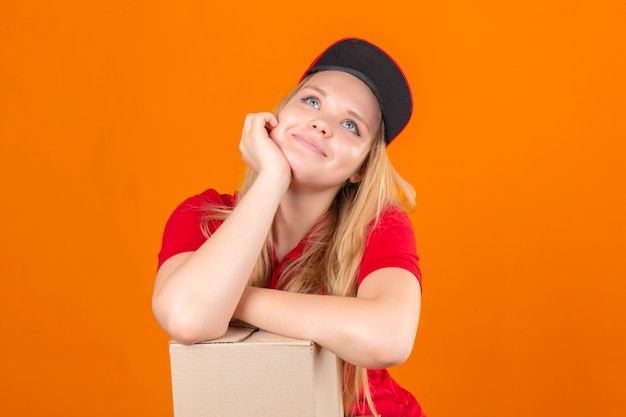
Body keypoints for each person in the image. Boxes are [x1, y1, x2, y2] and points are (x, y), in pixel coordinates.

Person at [152, 38, 426, 417]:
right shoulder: (203, 215)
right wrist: (272, 178)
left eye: (351, 125)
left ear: (361, 169)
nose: (321, 124)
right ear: (274, 119)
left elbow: (389, 338)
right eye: (312, 101)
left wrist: (232, 300)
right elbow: (186, 316)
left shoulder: (378, 225)